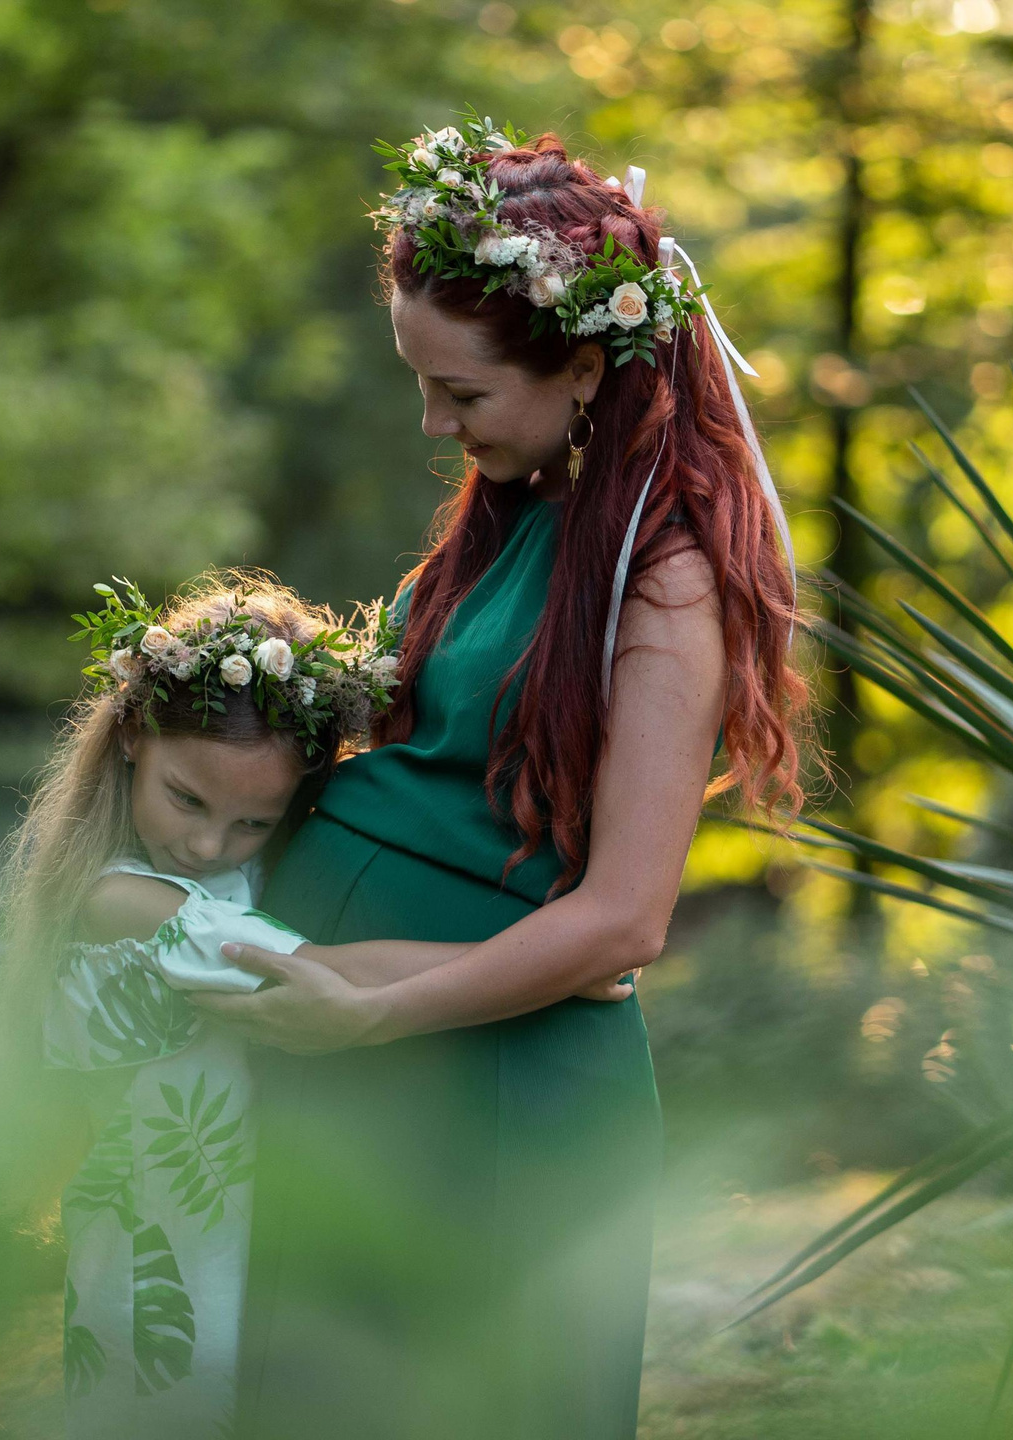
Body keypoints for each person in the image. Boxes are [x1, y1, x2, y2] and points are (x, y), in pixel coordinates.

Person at [203, 117, 808, 1440]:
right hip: (357, 1066)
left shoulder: (664, 583)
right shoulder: (511, 519)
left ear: (583, 366)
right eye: (417, 385)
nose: (433, 423)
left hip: (489, 1096)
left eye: (462, 395)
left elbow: (624, 918)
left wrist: (368, 1009)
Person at [0, 571, 634, 1440]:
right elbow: (321, 969)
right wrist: (553, 961)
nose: (210, 843)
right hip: (162, 1255)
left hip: (250, 1231)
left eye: (252, 823)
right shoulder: (120, 898)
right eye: (189, 800)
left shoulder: (230, 873)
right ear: (134, 737)